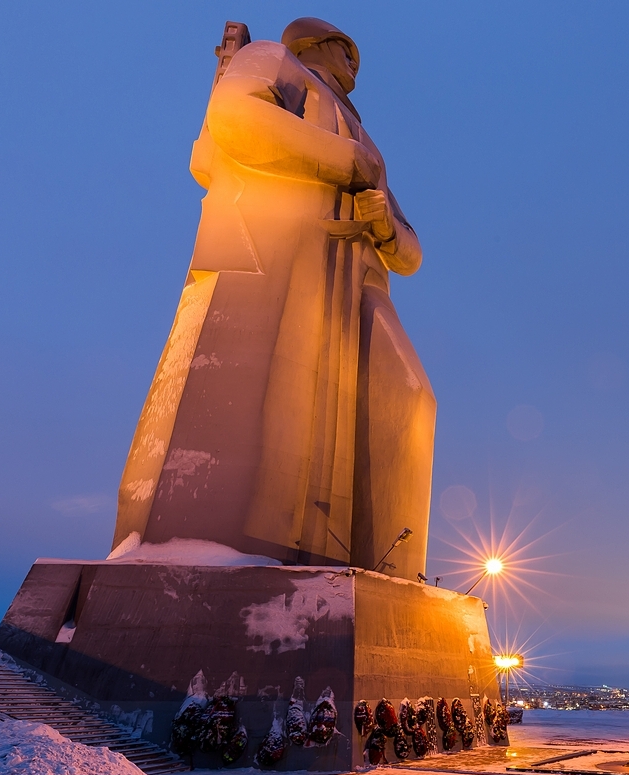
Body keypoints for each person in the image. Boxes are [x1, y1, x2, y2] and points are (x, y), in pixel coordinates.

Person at [113, 18, 435, 577]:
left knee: (406, 396)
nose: (354, 59)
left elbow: (411, 254)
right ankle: (219, 547)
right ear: (311, 45)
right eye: (344, 46)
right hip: (270, 255)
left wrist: (386, 227)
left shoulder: (371, 142)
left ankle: (386, 569)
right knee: (253, 402)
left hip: (353, 291)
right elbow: (236, 118)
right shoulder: (272, 60)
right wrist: (345, 162)